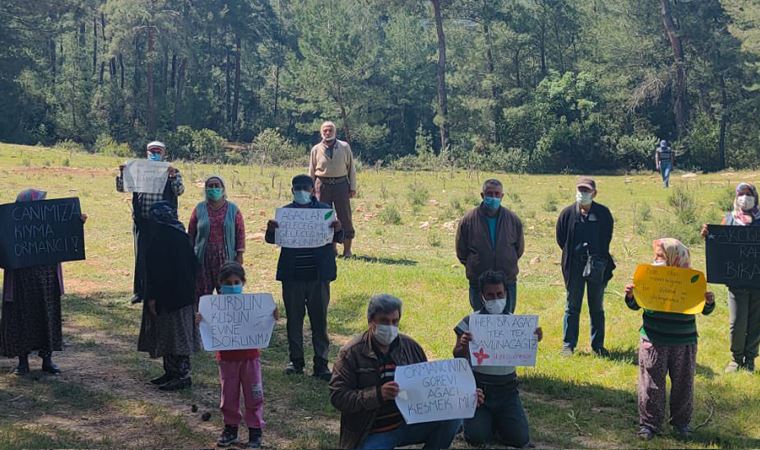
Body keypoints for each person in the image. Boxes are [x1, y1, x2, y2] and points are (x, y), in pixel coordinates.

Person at [329, 294, 473, 450]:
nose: (390, 326)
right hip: (371, 430)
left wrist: (467, 395)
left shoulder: (411, 347)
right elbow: (338, 397)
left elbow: (430, 389)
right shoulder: (351, 353)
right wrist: (378, 394)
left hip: (408, 423)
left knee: (452, 418)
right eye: (384, 321)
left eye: (395, 321)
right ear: (370, 322)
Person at [624, 238, 715, 440]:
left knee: (683, 383)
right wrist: (631, 296)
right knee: (651, 383)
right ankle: (649, 425)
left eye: (661, 256)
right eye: (656, 255)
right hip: (653, 339)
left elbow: (704, 310)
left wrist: (709, 302)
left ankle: (681, 424)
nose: (657, 260)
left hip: (684, 341)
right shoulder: (650, 277)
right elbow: (636, 305)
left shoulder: (691, 280)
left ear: (676, 258)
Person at [0, 189, 87, 375]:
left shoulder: (49, 221)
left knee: (46, 315)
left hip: (46, 279)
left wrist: (76, 223)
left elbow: (64, 233)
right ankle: (22, 362)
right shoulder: (11, 225)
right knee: (20, 318)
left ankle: (47, 359)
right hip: (21, 282)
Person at [265, 174, 343, 380]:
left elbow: (337, 238)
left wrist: (338, 228)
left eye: (305, 188)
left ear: (313, 190)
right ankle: (296, 361)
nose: (301, 191)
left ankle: (321, 364)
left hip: (318, 276)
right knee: (294, 320)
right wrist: (270, 229)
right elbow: (272, 240)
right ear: (292, 191)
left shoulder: (325, 212)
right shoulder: (285, 213)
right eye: (297, 188)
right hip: (293, 276)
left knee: (320, 321)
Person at [453, 270, 542, 448]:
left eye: (499, 294)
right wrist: (462, 345)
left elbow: (522, 350)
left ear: (506, 294)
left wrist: (533, 338)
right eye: (490, 295)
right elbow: (457, 355)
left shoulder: (515, 324)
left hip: (507, 391)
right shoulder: (470, 321)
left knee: (520, 439)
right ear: (482, 297)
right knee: (476, 437)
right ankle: (474, 421)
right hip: (479, 391)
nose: (496, 299)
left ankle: (498, 423)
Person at [195, 262, 279, 449]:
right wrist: (201, 320)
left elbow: (261, 324)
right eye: (228, 283)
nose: (232, 286)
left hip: (250, 358)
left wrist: (271, 315)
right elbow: (208, 328)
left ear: (243, 282)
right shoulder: (213, 308)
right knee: (229, 395)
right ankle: (230, 428)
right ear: (220, 285)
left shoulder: (252, 306)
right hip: (227, 360)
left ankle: (255, 431)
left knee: (254, 394)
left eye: (236, 282)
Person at [137, 201, 200, 391]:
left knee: (175, 336)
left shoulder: (162, 237)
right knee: (170, 335)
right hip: (181, 296)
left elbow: (157, 270)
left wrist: (152, 297)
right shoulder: (180, 234)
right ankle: (171, 372)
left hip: (170, 297)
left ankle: (181, 375)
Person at [700, 182, 760, 373]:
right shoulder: (729, 219)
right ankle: (736, 359)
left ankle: (750, 360)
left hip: (758, 283)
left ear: (756, 197)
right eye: (741, 193)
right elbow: (719, 245)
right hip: (736, 282)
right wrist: (708, 235)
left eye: (749, 193)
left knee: (756, 323)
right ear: (736, 197)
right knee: (737, 323)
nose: (745, 197)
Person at [116, 141, 185, 304]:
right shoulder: (138, 170)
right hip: (142, 221)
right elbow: (121, 188)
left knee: (163, 256)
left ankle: (162, 290)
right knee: (141, 256)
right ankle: (140, 292)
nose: (155, 153)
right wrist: (122, 174)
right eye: (152, 151)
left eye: (158, 151)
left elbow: (179, 191)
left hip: (164, 222)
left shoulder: (173, 171)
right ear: (146, 152)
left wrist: (173, 176)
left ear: (164, 153)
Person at [555, 176, 615, 357]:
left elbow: (607, 238)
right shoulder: (567, 213)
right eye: (580, 190)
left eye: (586, 191)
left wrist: (596, 259)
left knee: (596, 306)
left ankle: (598, 346)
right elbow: (561, 238)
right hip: (574, 266)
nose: (582, 193)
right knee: (572, 306)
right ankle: (568, 345)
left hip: (597, 266)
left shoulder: (603, 213)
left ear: (594, 193)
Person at [456, 179, 525, 313]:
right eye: (489, 194)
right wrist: (475, 265)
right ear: (482, 195)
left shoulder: (513, 220)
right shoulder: (468, 220)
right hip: (478, 282)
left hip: (507, 282)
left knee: (506, 322)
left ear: (502, 196)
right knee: (481, 324)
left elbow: (519, 249)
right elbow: (461, 251)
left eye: (496, 194)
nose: (493, 197)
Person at [188, 175, 245, 299]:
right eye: (210, 186)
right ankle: (202, 318)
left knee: (227, 293)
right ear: (206, 189)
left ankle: (227, 318)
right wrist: (189, 255)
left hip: (226, 258)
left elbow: (240, 233)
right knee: (202, 294)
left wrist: (239, 255)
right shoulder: (199, 209)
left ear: (223, 189)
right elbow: (191, 233)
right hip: (202, 258)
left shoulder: (233, 210)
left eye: (216, 186)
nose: (213, 188)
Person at [309, 121, 357, 258]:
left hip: (341, 185)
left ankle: (347, 251)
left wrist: (352, 187)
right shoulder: (316, 149)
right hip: (321, 186)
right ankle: (331, 250)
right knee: (325, 218)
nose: (327, 133)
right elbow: (311, 171)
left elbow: (351, 169)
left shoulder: (344, 147)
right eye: (325, 130)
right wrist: (310, 188)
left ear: (335, 132)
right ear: (321, 132)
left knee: (345, 217)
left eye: (330, 130)